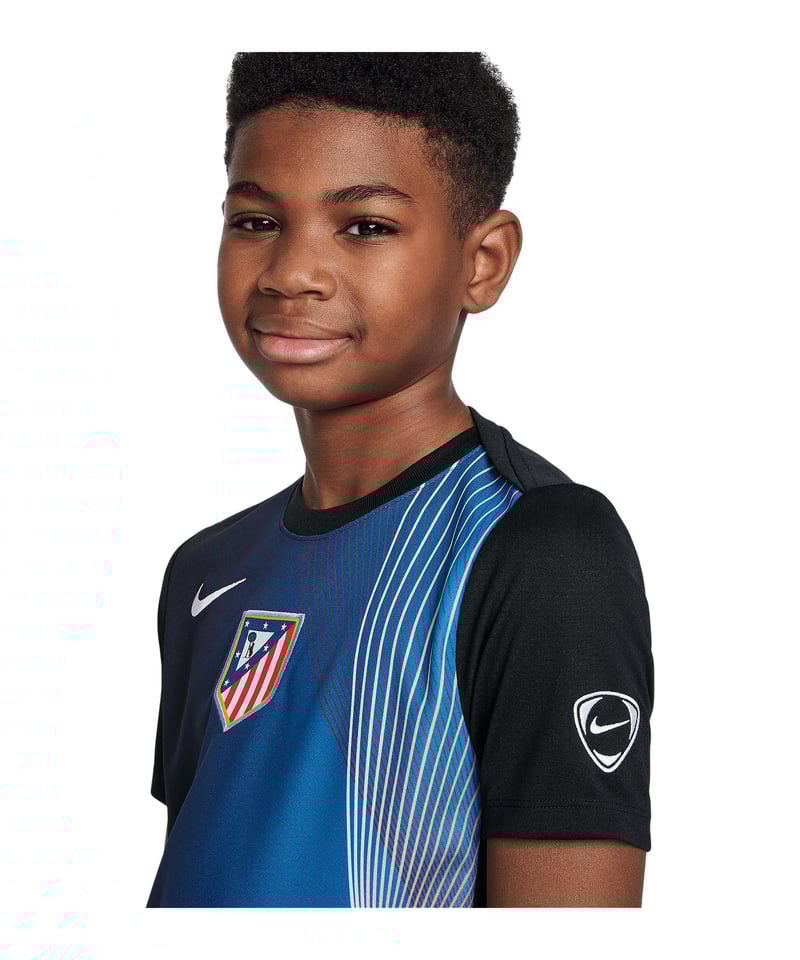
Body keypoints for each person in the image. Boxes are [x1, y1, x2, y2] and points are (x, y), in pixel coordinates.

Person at [146, 52, 654, 908]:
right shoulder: (206, 568)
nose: (290, 272)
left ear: (482, 262)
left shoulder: (541, 549)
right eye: (257, 221)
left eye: (366, 227)